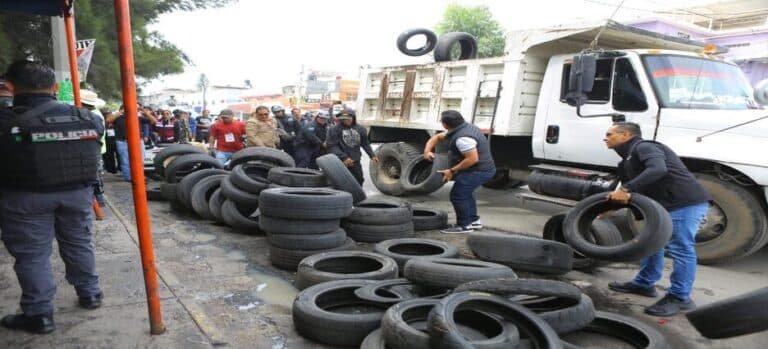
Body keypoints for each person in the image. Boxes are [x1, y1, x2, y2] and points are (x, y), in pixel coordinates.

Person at [0, 60, 104, 334]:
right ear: (55, 87)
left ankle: (39, 315)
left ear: (9, 87)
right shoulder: (87, 117)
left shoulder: (7, 120)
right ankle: (90, 294)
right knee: (80, 243)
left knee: (33, 256)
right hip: (77, 195)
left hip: (25, 199)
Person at [604, 122, 710, 317]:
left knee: (680, 247)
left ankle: (680, 298)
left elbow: (657, 169)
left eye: (610, 134)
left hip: (684, 203)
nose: (605, 138)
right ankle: (644, 284)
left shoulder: (645, 146)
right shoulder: (625, 161)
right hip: (661, 206)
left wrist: (626, 189)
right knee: (651, 243)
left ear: (626, 134)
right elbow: (630, 190)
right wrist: (610, 206)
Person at [422, 110, 496, 234]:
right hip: (480, 169)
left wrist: (451, 170)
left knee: (458, 195)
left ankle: (464, 226)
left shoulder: (462, 138)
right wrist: (427, 151)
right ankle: (473, 220)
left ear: (445, 124)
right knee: (466, 192)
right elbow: (437, 137)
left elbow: (472, 159)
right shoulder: (463, 128)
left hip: (480, 170)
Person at [326, 109, 378, 184]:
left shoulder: (361, 129)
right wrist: (344, 157)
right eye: (344, 119)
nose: (346, 120)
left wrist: (372, 155)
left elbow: (365, 143)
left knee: (359, 180)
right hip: (339, 161)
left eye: (348, 118)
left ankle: (357, 195)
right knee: (339, 181)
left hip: (355, 160)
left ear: (353, 117)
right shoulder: (334, 129)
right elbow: (332, 146)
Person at [113, 104, 148, 182]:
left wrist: (146, 113)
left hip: (138, 141)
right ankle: (128, 177)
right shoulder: (118, 118)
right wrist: (121, 111)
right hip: (122, 141)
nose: (136, 110)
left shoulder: (138, 117)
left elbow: (153, 121)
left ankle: (139, 175)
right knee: (125, 160)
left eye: (138, 108)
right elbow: (108, 120)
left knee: (141, 159)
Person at [101, 109, 120, 174]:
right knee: (108, 155)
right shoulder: (103, 121)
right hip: (107, 140)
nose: (109, 115)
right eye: (107, 114)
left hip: (116, 139)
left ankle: (120, 168)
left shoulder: (116, 121)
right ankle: (110, 169)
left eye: (110, 114)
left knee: (119, 155)